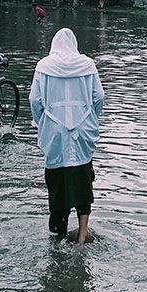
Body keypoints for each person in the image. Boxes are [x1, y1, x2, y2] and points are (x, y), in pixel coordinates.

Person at [29, 28, 105, 245]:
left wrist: (41, 122)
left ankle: (59, 234)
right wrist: (90, 117)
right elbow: (99, 97)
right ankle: (82, 235)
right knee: (83, 178)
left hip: (54, 132)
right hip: (82, 131)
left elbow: (35, 100)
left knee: (57, 181)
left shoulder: (44, 66)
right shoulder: (87, 65)